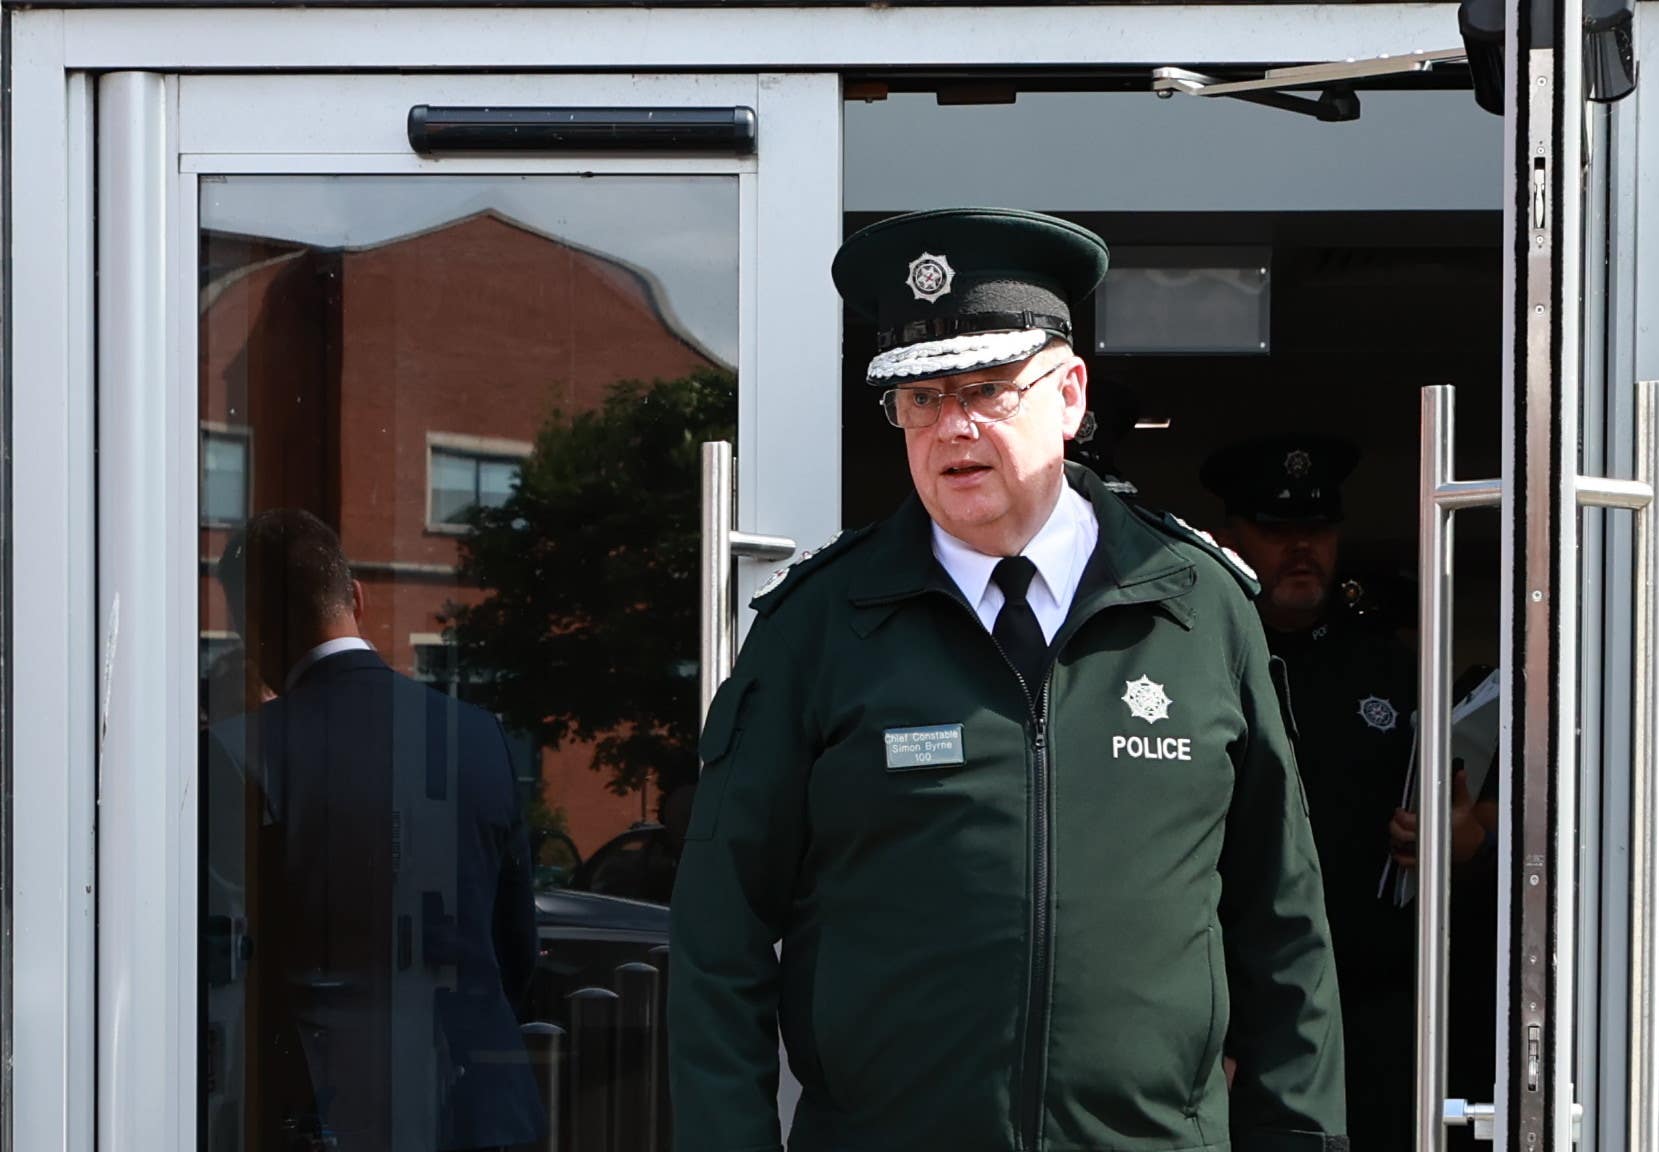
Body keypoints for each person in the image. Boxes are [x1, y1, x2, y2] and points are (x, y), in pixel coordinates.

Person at [670, 208, 1347, 1152]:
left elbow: (1284, 928)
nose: (953, 426)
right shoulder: (818, 627)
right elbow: (718, 938)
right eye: (919, 397)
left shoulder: (1197, 609)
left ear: (1069, 395)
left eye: (987, 388)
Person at [204, 508, 542, 1152]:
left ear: (252, 626)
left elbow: (221, 962)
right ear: (355, 597)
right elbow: (513, 948)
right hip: (474, 1109)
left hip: (318, 1113)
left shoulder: (234, 751)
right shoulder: (476, 736)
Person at [1202, 436, 1490, 1152]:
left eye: (1318, 530)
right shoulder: (1195, 655)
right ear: (1231, 538)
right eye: (1276, 531)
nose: (1302, 549)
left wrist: (1457, 843)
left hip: (1381, 1004)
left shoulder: (1396, 668)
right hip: (1242, 1008)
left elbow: (1463, 831)